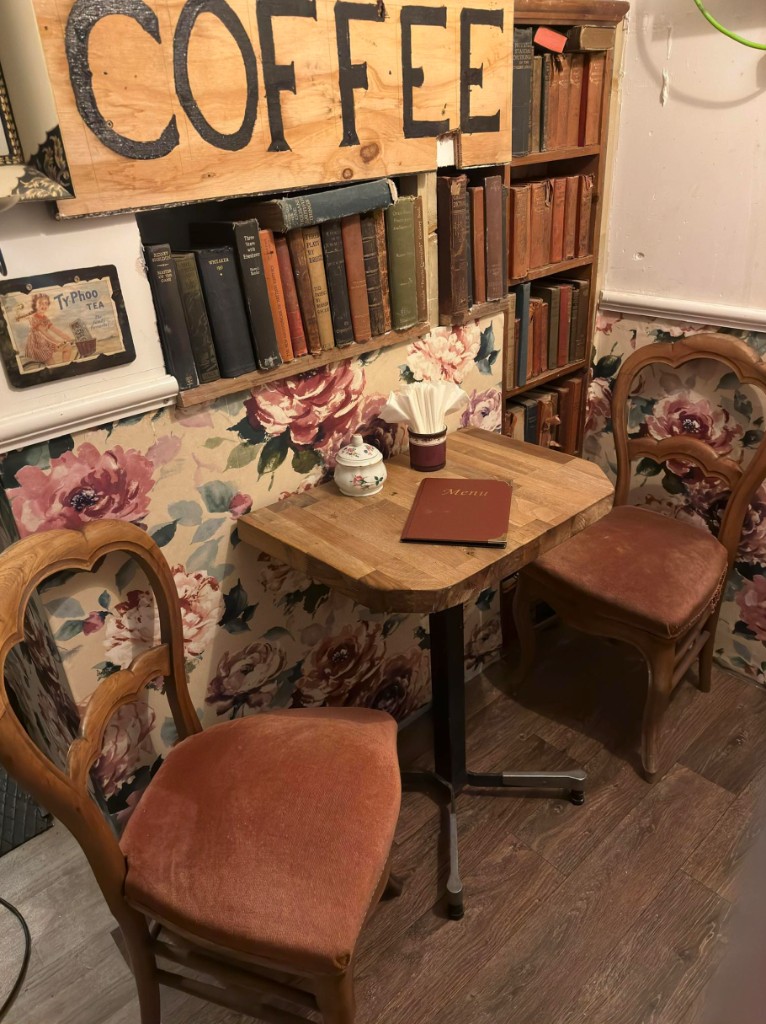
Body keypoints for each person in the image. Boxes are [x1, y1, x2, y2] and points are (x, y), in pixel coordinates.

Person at [21, 293, 77, 366]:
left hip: (47, 343)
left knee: (68, 347)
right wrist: (56, 342)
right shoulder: (33, 318)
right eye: (40, 303)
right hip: (38, 346)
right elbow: (44, 333)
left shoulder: (45, 318)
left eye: (46, 303)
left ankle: (65, 367)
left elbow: (56, 330)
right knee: (52, 365)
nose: (44, 306)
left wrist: (68, 338)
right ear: (35, 305)